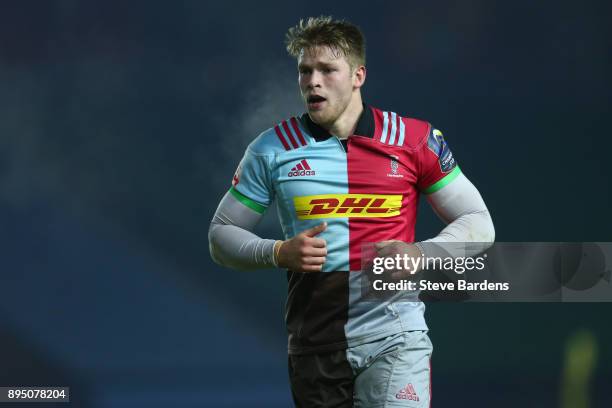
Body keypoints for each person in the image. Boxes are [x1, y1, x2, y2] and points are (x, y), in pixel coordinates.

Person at [209, 16, 494, 407]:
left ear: (358, 75)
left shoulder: (414, 140)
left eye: (327, 69)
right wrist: (277, 252)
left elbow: (479, 223)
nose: (313, 81)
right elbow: (221, 236)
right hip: (314, 344)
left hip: (396, 335)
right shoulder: (271, 149)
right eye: (305, 71)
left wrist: (421, 253)